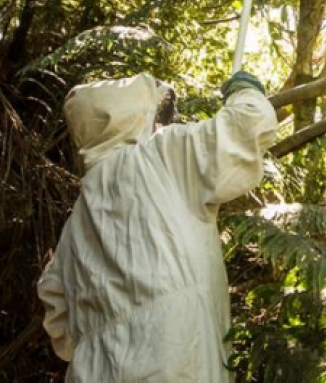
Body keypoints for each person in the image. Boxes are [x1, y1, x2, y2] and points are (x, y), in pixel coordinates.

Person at [37, 70, 278, 382]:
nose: (160, 123)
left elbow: (56, 311)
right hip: (176, 362)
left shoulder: (78, 219)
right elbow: (251, 122)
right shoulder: (161, 156)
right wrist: (245, 90)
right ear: (129, 119)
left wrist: (104, 336)